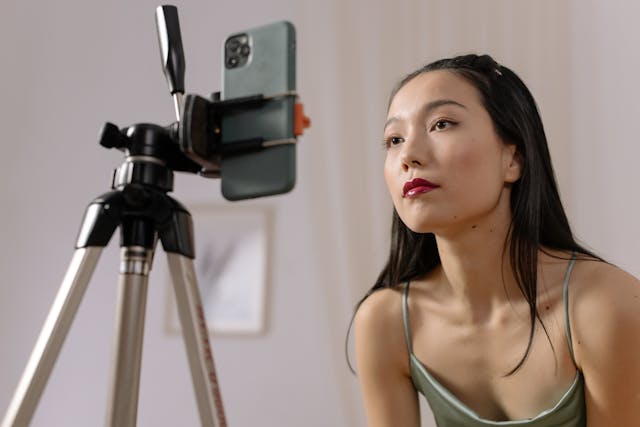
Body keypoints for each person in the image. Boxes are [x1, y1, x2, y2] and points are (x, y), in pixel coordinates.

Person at [352, 54, 640, 426]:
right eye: (394, 139)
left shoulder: (606, 306)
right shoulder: (386, 322)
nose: (408, 155)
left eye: (441, 124)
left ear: (513, 159)